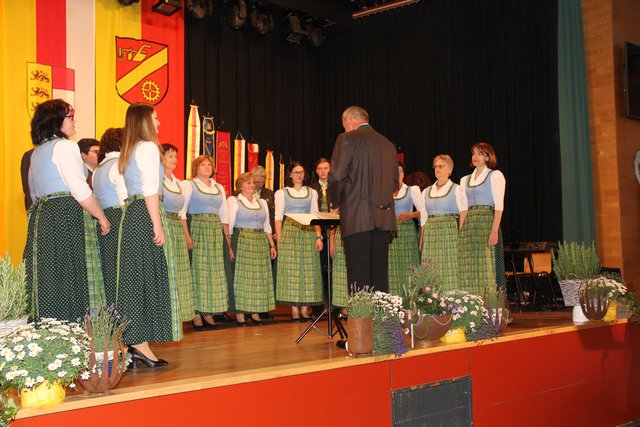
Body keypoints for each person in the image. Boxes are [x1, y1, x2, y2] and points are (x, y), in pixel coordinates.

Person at [23, 99, 109, 322]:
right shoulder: (65, 146)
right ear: (57, 121)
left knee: (49, 275)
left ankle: (49, 328)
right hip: (65, 215)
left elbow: (32, 193)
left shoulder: (37, 152)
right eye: (70, 117)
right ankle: (70, 329)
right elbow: (79, 189)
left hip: (42, 217)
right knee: (69, 275)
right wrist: (101, 216)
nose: (73, 121)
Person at [116, 102, 181, 368]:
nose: (159, 123)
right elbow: (150, 190)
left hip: (132, 214)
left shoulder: (129, 151)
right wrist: (157, 223)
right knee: (147, 276)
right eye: (155, 118)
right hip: (145, 212)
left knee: (136, 277)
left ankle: (138, 343)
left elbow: (125, 194)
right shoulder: (148, 148)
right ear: (144, 121)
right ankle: (139, 344)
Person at [328, 106, 398, 293]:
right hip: (383, 218)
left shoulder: (347, 139)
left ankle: (361, 321)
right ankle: (381, 320)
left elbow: (336, 177)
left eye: (344, 125)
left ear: (350, 120)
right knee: (379, 275)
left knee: (358, 277)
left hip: (357, 217)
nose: (344, 129)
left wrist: (334, 204)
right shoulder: (388, 145)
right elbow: (394, 183)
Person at [184, 155, 230, 330]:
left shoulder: (218, 187)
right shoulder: (189, 185)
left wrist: (227, 239)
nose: (207, 167)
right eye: (203, 164)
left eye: (209, 164)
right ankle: (196, 313)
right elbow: (182, 212)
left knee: (213, 272)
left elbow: (224, 215)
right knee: (198, 271)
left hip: (215, 231)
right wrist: (187, 236)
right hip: (198, 228)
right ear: (196, 167)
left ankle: (209, 312)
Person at [275, 161, 324, 321]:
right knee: (292, 272)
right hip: (290, 232)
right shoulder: (282, 193)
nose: (299, 175)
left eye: (301, 172)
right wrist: (280, 240)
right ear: (290, 175)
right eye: (296, 172)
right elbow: (278, 218)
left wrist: (318, 236)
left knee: (308, 271)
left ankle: (305, 309)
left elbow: (315, 215)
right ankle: (294, 310)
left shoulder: (311, 192)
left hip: (308, 231)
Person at [226, 172, 277, 325]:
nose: (252, 185)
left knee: (258, 279)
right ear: (240, 186)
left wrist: (272, 245)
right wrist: (229, 246)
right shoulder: (234, 201)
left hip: (260, 241)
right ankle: (240, 315)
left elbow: (267, 225)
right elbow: (229, 225)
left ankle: (255, 313)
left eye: (253, 183)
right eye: (248, 183)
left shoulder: (261, 202)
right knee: (242, 279)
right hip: (242, 240)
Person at [458, 142, 506, 297]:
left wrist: (494, 231)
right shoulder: (465, 180)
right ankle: (470, 301)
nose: (475, 157)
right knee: (469, 264)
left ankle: (490, 301)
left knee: (486, 264)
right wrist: (461, 231)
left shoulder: (495, 175)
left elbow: (499, 206)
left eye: (480, 154)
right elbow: (464, 208)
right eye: (473, 154)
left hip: (486, 221)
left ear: (487, 157)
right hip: (470, 224)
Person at [420, 155, 468, 291]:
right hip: (431, 234)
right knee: (430, 265)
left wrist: (461, 236)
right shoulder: (426, 191)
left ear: (450, 170)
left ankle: (450, 298)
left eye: (441, 166)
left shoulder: (457, 189)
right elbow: (423, 217)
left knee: (449, 264)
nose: (437, 169)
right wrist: (422, 238)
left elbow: (463, 212)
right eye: (436, 166)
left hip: (449, 231)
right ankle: (431, 299)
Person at [161, 143, 195, 327]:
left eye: (175, 156)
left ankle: (178, 314)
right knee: (166, 270)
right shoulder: (158, 180)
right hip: (164, 224)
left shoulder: (179, 183)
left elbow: (182, 213)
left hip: (177, 227)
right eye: (170, 155)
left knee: (179, 272)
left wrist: (187, 236)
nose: (174, 159)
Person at [92, 127, 127, 307]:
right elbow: (124, 198)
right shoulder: (119, 164)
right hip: (120, 217)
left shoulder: (98, 169)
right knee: (124, 269)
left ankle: (113, 313)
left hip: (104, 219)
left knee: (110, 269)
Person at [388, 163, 426, 296]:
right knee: (391, 267)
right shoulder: (384, 191)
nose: (396, 174)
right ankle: (392, 301)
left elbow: (423, 212)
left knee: (408, 267)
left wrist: (410, 214)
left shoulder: (412, 190)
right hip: (390, 233)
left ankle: (410, 300)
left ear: (403, 174)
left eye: (399, 171)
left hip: (407, 232)